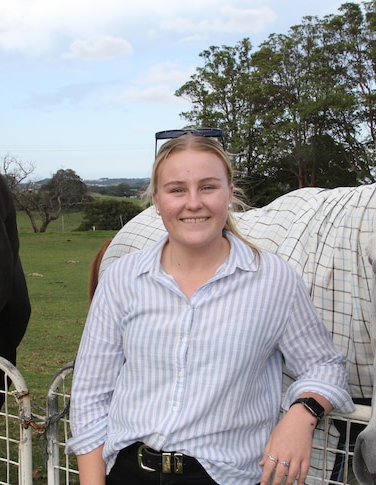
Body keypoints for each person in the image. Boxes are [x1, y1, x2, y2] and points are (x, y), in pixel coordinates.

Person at [67, 131, 354, 485]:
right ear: (156, 199)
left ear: (229, 193)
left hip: (225, 477)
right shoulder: (123, 279)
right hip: (128, 472)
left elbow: (324, 365)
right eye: (176, 189)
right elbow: (90, 396)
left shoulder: (273, 280)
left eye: (208, 187)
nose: (193, 202)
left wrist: (302, 414)